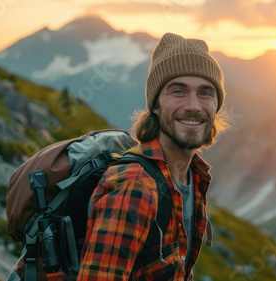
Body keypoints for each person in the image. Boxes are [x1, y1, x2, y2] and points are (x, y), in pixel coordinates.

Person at [77, 33, 229, 280]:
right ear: (155, 106)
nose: (193, 105)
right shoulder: (135, 186)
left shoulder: (193, 178)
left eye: (206, 92)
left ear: (216, 105)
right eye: (178, 91)